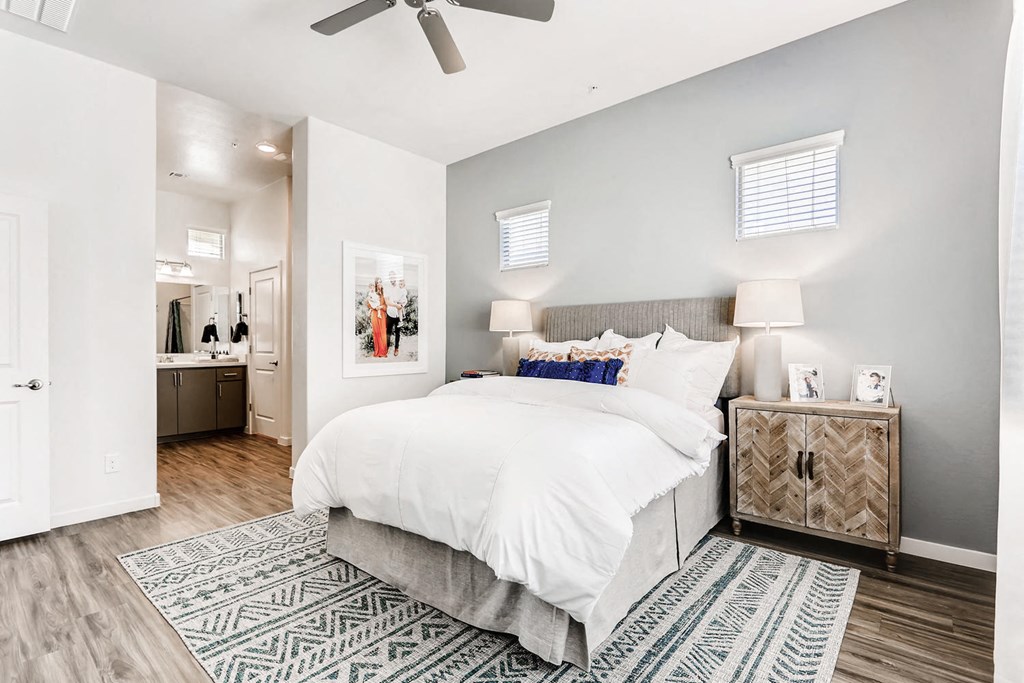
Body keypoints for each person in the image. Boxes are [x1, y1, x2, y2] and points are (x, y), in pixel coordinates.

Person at [383, 270, 406, 357]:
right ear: (389, 278)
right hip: (390, 313)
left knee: (397, 333)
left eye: (394, 277)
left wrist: (402, 304)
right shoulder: (387, 288)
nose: (392, 278)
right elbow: (387, 302)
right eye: (390, 277)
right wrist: (396, 305)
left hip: (398, 314)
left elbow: (404, 298)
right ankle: (387, 348)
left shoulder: (399, 287)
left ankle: (396, 348)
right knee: (388, 332)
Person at [365, 278, 388, 358]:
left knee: (382, 333)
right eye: (377, 283)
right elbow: (368, 304)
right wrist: (375, 308)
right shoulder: (372, 292)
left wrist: (381, 307)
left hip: (381, 314)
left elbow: (386, 305)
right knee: (376, 333)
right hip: (375, 314)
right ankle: (377, 352)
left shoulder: (385, 293)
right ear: (375, 284)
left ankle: (383, 352)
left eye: (380, 282)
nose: (379, 284)